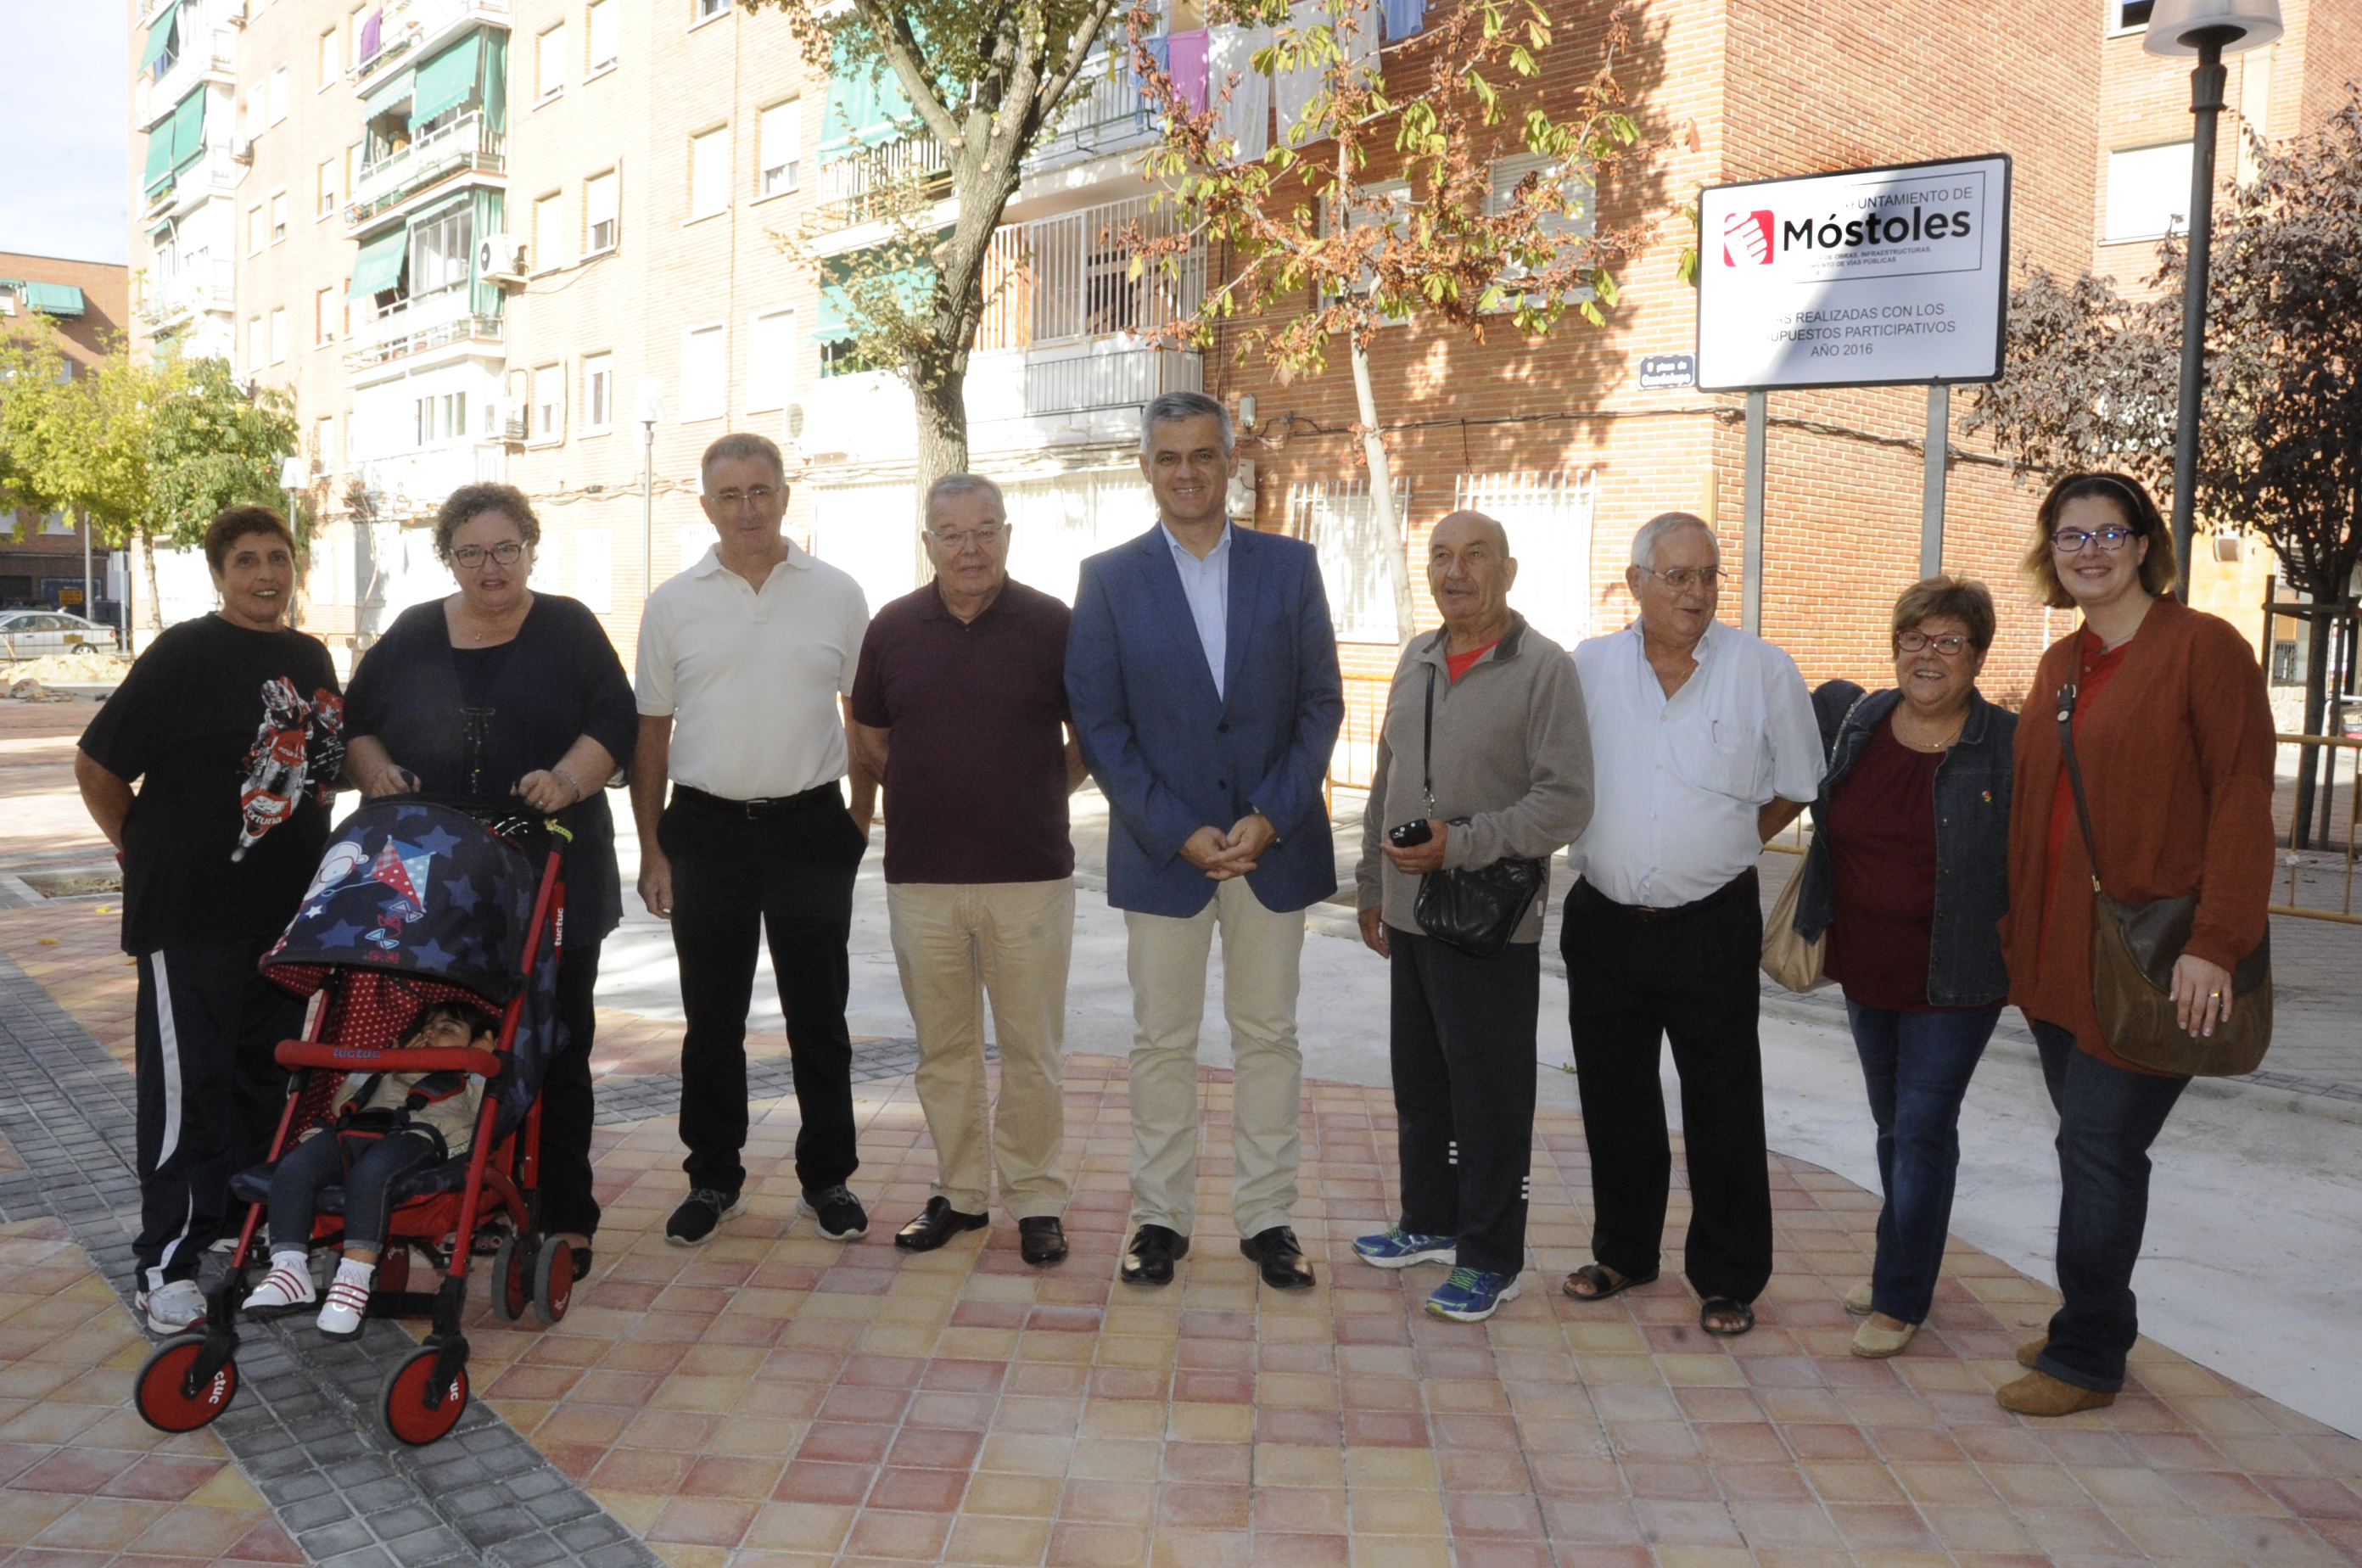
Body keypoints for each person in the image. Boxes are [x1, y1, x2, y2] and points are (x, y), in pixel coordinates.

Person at [1995, 472, 2273, 1416]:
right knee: (2088, 1149)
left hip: (2153, 961)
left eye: (2108, 533)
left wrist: (2218, 942)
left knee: (2102, 1149)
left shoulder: (2205, 649)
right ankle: (2097, 1316)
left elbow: (2241, 795)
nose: (2089, 551)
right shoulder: (2059, 665)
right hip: (2056, 960)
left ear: (2146, 543)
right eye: (2070, 536)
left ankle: (2085, 1357)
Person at [1066, 390, 1344, 1290]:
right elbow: (1101, 726)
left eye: (1203, 455)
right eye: (1168, 457)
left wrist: (1273, 811)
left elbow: (1320, 704)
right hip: (1165, 854)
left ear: (1231, 461)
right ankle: (1160, 1221)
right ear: (1145, 467)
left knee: (1268, 1037)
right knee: (1161, 1042)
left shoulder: (1290, 566)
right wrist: (1177, 828)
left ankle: (1268, 1220)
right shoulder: (1107, 579)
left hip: (1271, 847)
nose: (1186, 472)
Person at [341, 483, 637, 1280]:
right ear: (449, 558)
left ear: (531, 548)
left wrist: (569, 780)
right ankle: (437, 1189)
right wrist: (377, 774)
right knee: (436, 1040)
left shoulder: (569, 627)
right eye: (470, 551)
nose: (490, 566)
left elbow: (615, 720)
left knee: (557, 1040)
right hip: (436, 886)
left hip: (551, 872)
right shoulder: (410, 633)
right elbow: (354, 720)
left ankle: (563, 1209)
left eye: (505, 548)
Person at [76, 506, 345, 1334]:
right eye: (247, 562)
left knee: (265, 1082)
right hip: (189, 917)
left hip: (285, 922)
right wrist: (144, 852)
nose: (266, 575)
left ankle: (247, 1231)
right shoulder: (186, 654)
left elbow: (323, 781)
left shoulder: (309, 657)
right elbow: (98, 764)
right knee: (187, 1092)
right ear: (219, 574)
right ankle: (168, 1263)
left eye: (278, 559)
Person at [1559, 511, 1821, 1338]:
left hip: (1711, 924)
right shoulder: (1589, 668)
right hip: (1604, 923)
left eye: (1707, 575)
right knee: (1615, 1098)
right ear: (1635, 583)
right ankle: (1626, 1252)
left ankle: (1728, 1275)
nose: (1697, 592)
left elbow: (1798, 780)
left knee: (1723, 1102)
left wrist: (1734, 842)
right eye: (1677, 576)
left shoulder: (1763, 670)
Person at [632, 432, 876, 1247]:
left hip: (812, 826)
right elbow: (652, 736)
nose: (749, 508)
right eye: (730, 495)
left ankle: (827, 1178)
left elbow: (863, 719)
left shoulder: (837, 593)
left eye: (761, 490)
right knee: (712, 1018)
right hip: (704, 831)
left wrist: (859, 818)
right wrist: (652, 848)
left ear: (784, 493)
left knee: (820, 1014)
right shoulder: (672, 604)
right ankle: (713, 1179)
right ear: (705, 506)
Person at [1352, 512, 1593, 1321]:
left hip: (1491, 922)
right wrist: (1370, 884)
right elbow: (1386, 781)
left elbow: (1565, 802)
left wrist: (1462, 843)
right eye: (1441, 556)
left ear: (1509, 570)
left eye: (1474, 555)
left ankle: (1494, 1255)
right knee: (1423, 1087)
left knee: (1490, 1097)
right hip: (1411, 915)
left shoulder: (1544, 670)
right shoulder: (1417, 658)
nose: (1456, 571)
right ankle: (1430, 1223)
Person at [849, 475, 1089, 1267]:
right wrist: (930, 788)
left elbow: (1087, 738)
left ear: (1008, 537)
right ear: (928, 545)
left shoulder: (1055, 625)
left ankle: (1038, 1202)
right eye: (951, 533)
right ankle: (960, 1194)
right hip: (922, 877)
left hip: (1030, 876)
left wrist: (1030, 790)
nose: (970, 548)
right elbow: (871, 737)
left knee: (1031, 1051)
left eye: (985, 530)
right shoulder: (892, 628)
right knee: (944, 1051)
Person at [1788, 577, 2016, 1358]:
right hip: (1866, 966)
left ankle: (1902, 1297)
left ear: (1977, 657)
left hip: (1955, 978)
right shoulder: (1864, 721)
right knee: (1895, 1125)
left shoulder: (2006, 746)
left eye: (1949, 641)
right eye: (1915, 638)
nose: (1929, 655)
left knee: (1921, 1129)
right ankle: (1901, 1262)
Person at [241, 1000, 492, 1336]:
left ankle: (353, 1280)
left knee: (371, 1174)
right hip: (354, 1130)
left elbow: (484, 1114)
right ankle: (289, 1269)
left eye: (447, 1030)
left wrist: (484, 1059)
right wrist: (383, 1062)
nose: (430, 1034)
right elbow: (338, 1104)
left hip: (417, 1136)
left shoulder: (468, 1077)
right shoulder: (391, 1070)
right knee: (295, 1167)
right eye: (426, 1028)